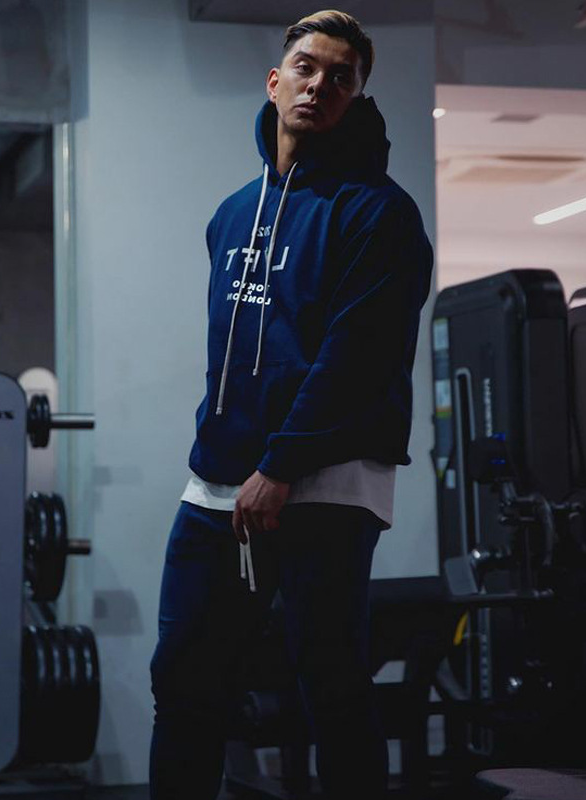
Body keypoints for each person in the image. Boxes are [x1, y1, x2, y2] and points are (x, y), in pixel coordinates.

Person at [150, 10, 434, 800]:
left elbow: (356, 358)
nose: (320, 85)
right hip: (220, 482)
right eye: (307, 68)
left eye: (341, 77)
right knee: (184, 679)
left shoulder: (379, 212)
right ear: (275, 82)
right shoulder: (231, 215)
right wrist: (229, 458)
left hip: (326, 481)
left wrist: (280, 466)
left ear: (356, 98)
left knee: (330, 689)